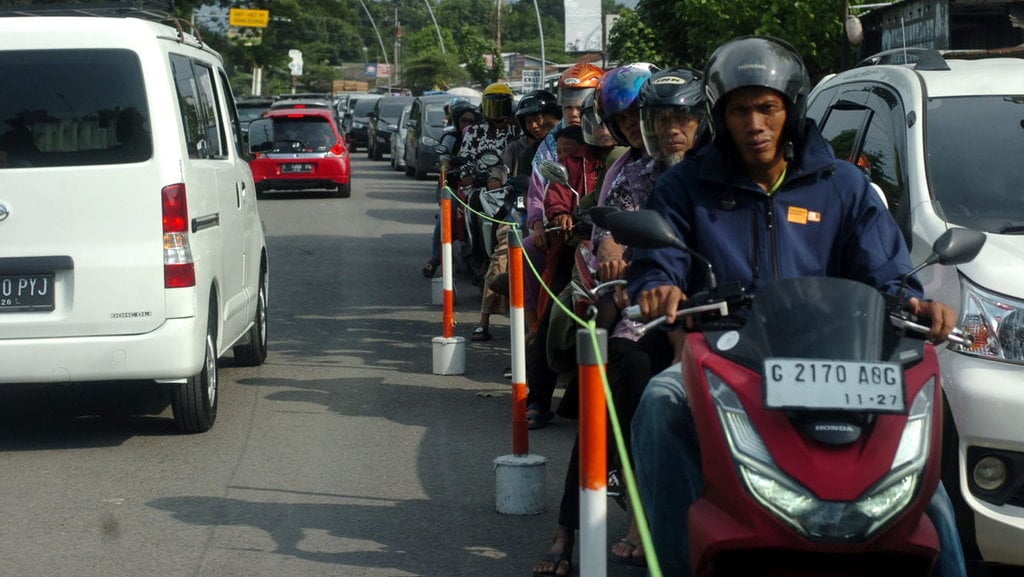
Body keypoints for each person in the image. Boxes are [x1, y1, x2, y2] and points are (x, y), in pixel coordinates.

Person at [626, 36, 966, 577]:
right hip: (727, 358)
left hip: (839, 360)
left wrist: (914, 303)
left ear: (792, 109)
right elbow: (659, 258)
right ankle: (676, 560)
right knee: (660, 406)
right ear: (720, 115)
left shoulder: (843, 185)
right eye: (740, 110)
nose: (754, 123)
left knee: (917, 466)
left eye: (767, 107)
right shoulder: (685, 186)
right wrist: (660, 286)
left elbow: (887, 274)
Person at [458, 82, 522, 342]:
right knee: (472, 210)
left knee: (505, 250)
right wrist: (468, 177)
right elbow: (465, 159)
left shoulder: (518, 133)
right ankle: (474, 252)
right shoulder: (475, 132)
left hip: (514, 198)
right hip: (482, 190)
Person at [423, 100, 480, 278]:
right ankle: (435, 258)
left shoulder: (483, 136)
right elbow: (444, 158)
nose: (468, 125)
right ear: (457, 121)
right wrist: (446, 165)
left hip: (480, 187)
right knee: (445, 217)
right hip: (457, 188)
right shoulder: (451, 138)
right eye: (464, 121)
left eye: (472, 121)